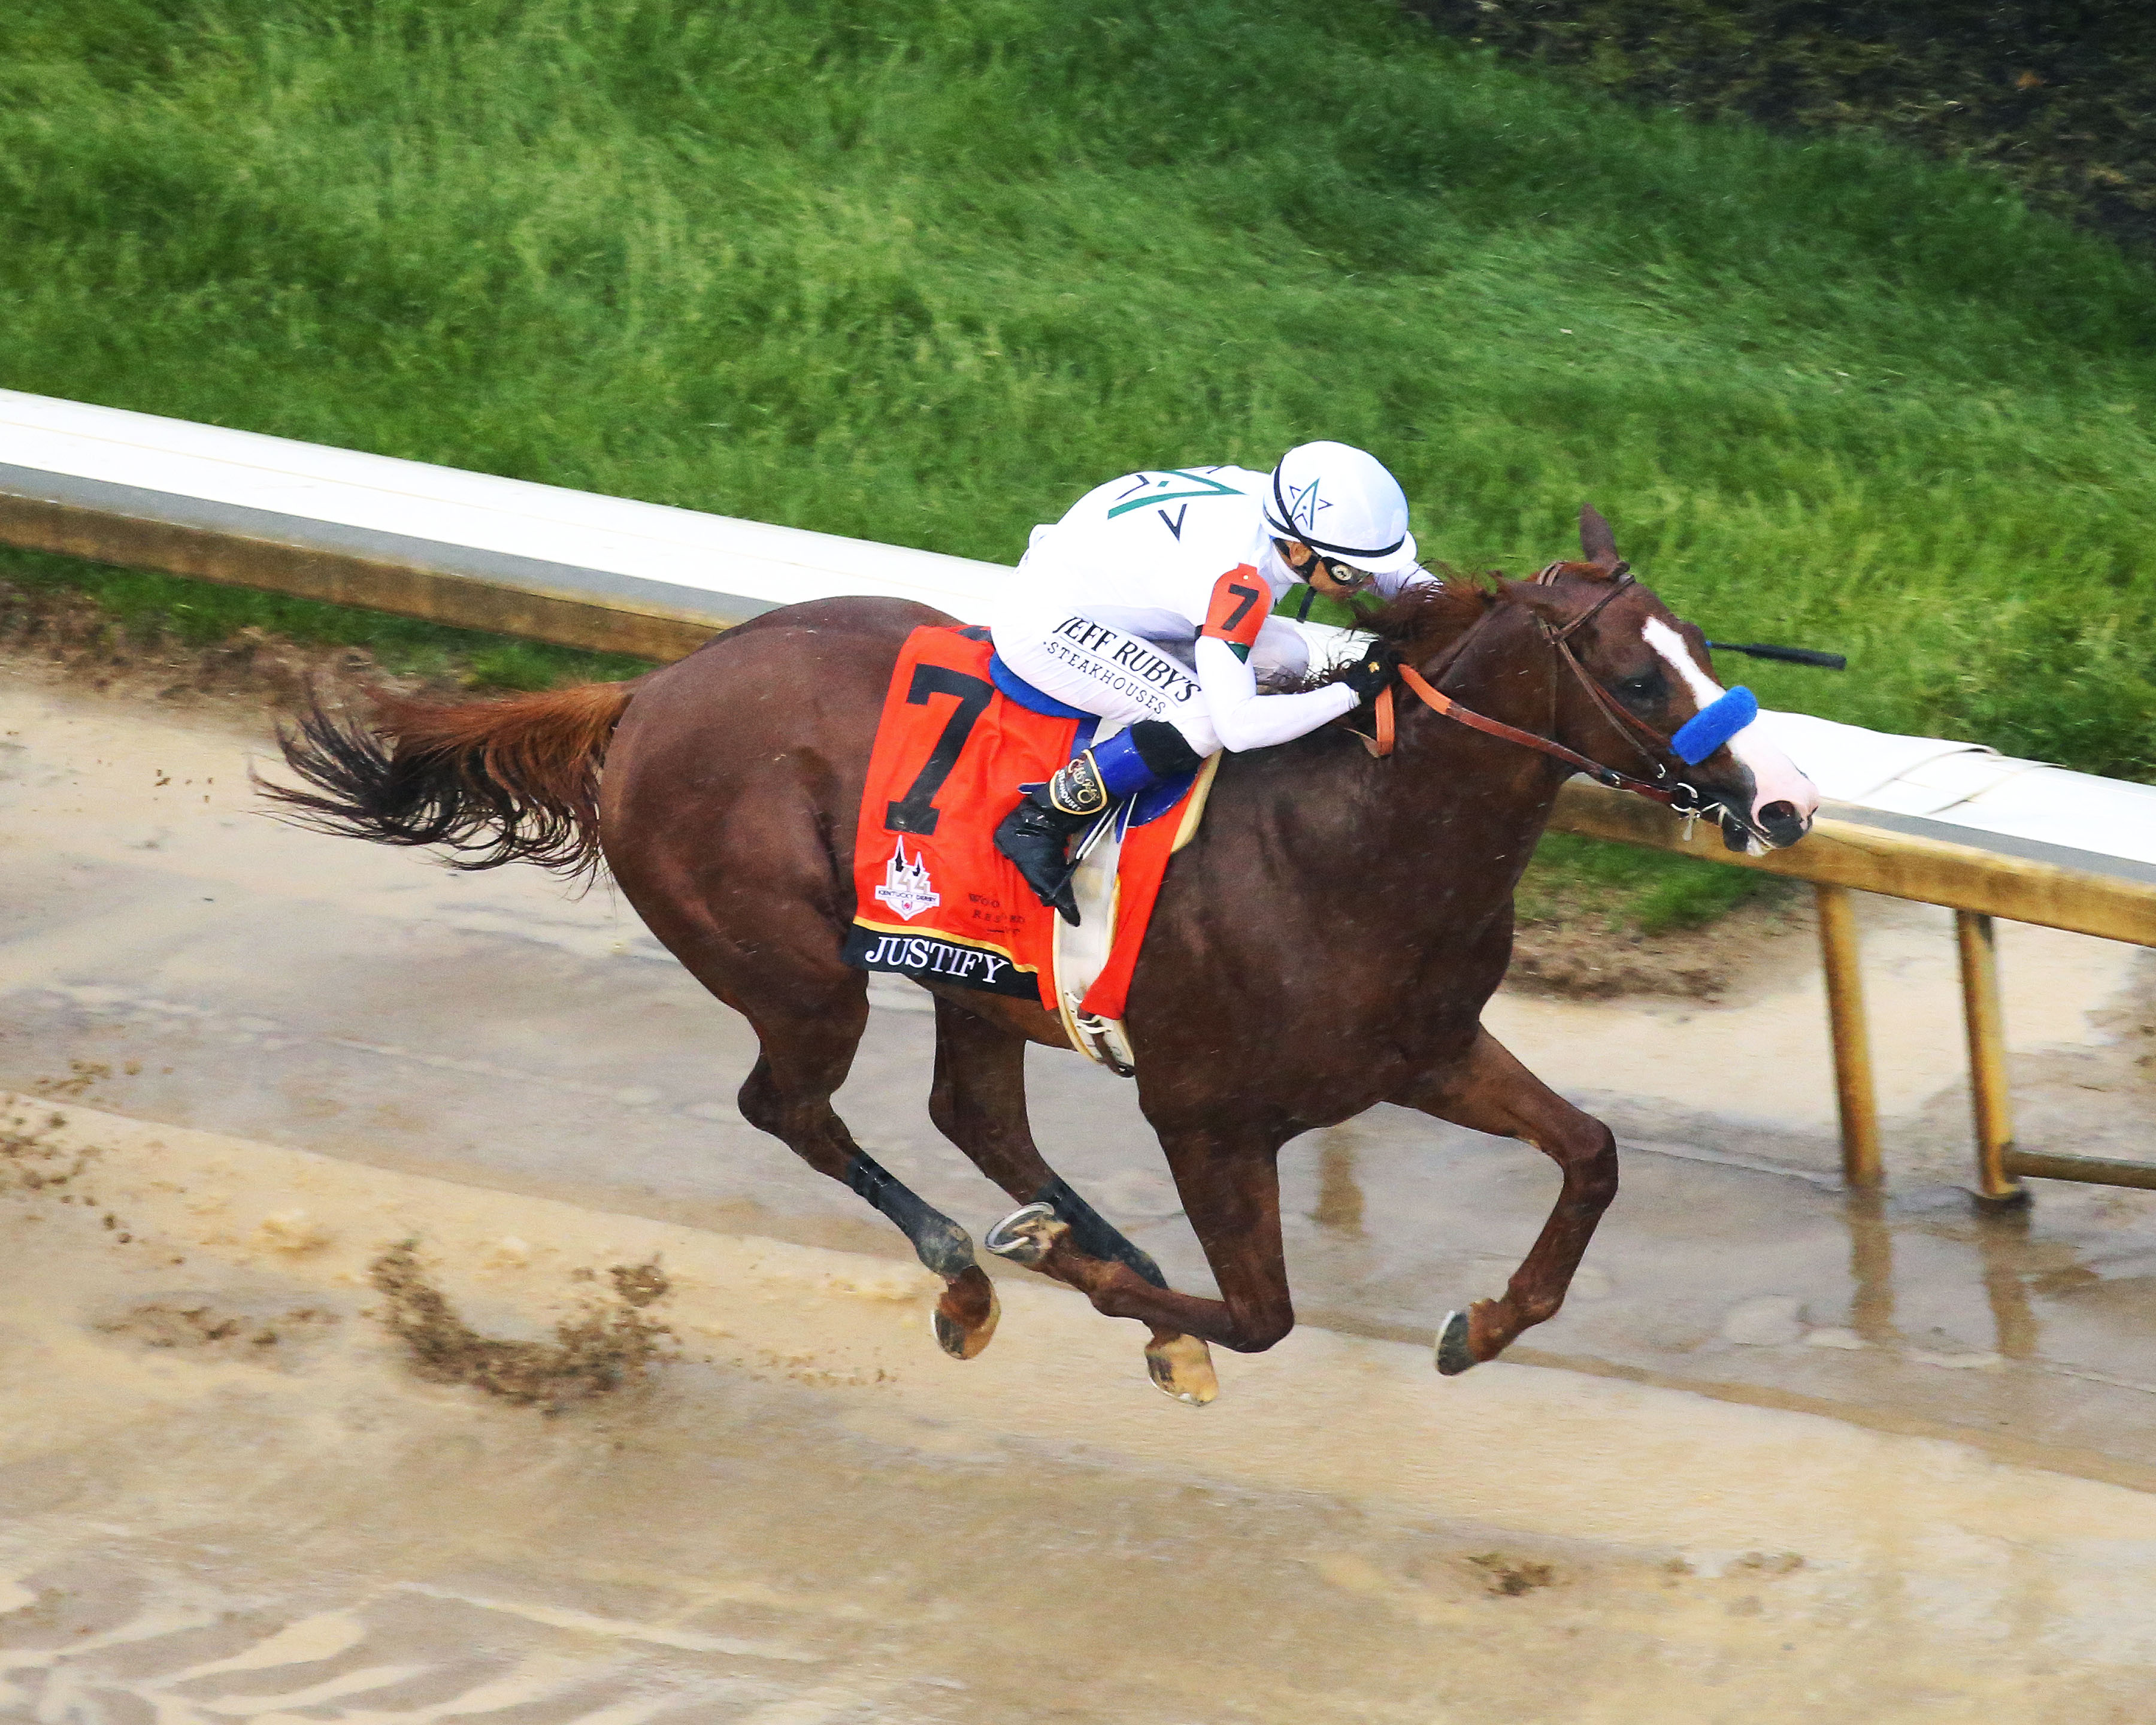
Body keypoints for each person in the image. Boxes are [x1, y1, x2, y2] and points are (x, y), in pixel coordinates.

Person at [989, 441, 1427, 920]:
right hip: (1045, 623)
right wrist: (1349, 691)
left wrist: (1472, 616)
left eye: (1369, 568)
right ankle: (1042, 820)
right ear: (1298, 550)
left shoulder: (1283, 513)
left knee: (1288, 659)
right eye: (1350, 571)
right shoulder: (1236, 577)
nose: (1365, 581)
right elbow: (1237, 726)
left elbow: (1397, 573)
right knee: (1204, 718)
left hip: (1125, 602)